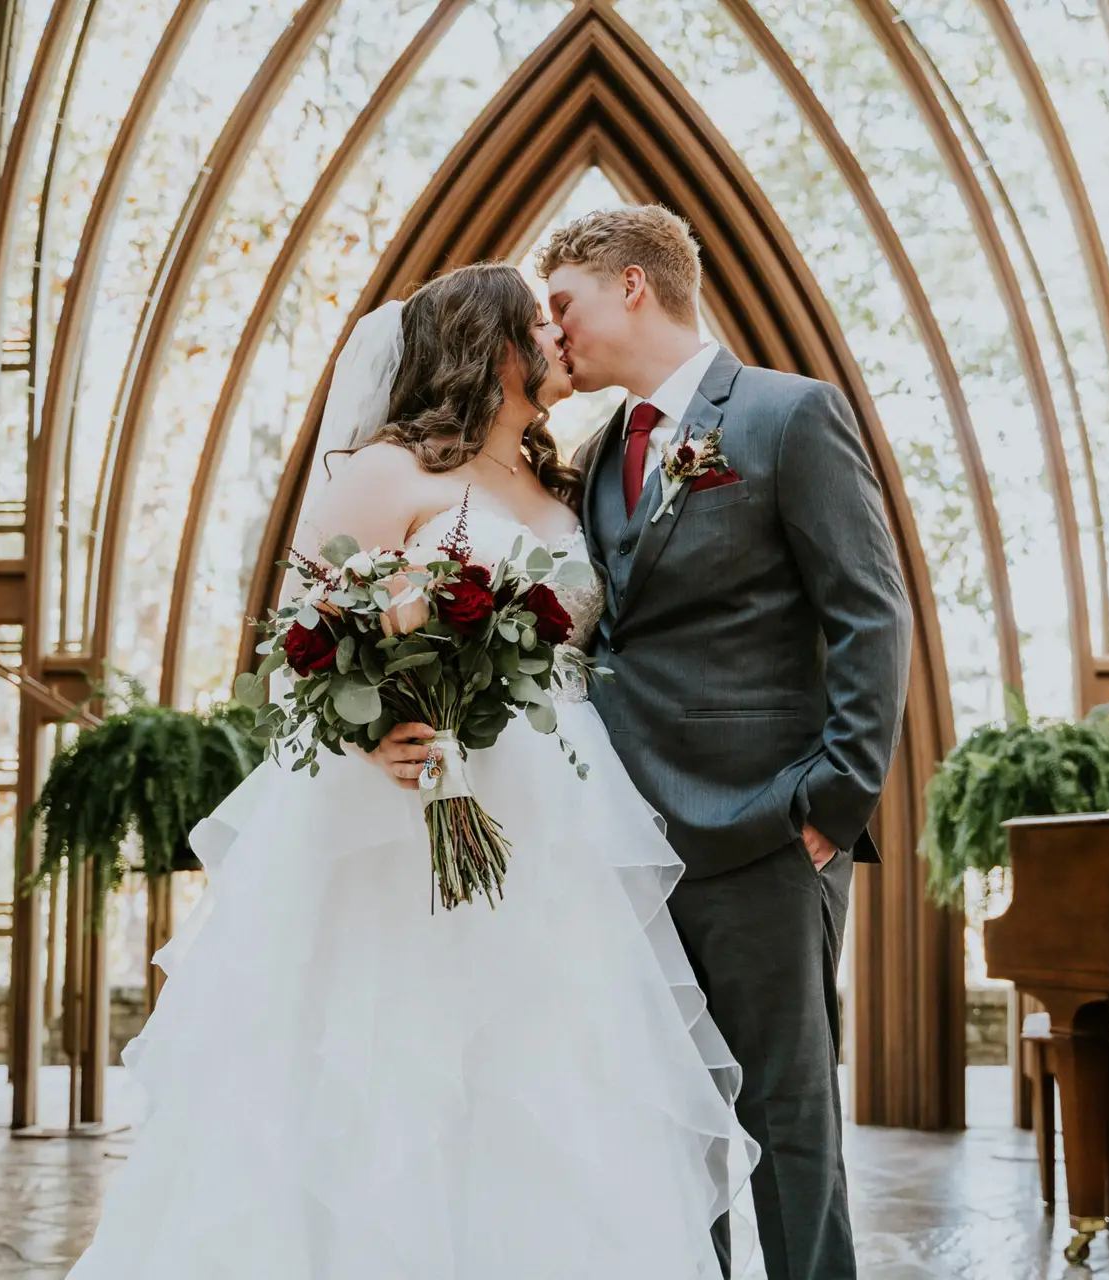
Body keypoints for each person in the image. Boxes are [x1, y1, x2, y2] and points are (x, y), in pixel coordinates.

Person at [67, 263, 752, 1278]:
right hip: (410, 803)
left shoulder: (563, 479)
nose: (560, 338)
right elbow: (299, 641)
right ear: (491, 346)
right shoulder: (381, 472)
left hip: (560, 817)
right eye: (539, 324)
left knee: (550, 1078)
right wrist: (369, 731)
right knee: (399, 1069)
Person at [539, 205, 913, 1280]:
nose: (554, 333)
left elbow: (869, 613)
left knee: (790, 1131)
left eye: (563, 304)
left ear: (631, 287)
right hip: (630, 847)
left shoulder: (789, 417)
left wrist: (829, 805)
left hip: (765, 833)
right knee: (669, 1131)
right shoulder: (597, 451)